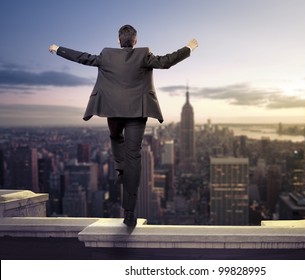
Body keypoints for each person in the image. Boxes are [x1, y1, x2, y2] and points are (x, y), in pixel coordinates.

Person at [49, 24, 198, 227]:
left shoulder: (107, 55)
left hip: (114, 112)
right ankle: (129, 212)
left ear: (119, 41)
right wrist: (188, 48)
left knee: (115, 137)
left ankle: (120, 168)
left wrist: (58, 49)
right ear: (135, 41)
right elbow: (166, 62)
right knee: (134, 157)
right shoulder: (144, 54)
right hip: (138, 113)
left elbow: (83, 57)